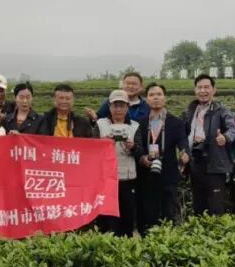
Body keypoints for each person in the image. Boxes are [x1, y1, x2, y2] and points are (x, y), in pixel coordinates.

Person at [134, 83, 187, 232]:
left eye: (159, 94)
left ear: (164, 97)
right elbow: (137, 146)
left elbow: (182, 141)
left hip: (168, 174)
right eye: (152, 95)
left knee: (168, 213)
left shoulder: (176, 122)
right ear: (146, 99)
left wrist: (185, 153)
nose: (155, 98)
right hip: (146, 174)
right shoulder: (140, 123)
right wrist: (142, 158)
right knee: (147, 214)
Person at [181, 74, 235, 216]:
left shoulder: (221, 109)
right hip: (195, 162)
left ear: (214, 90)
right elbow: (181, 133)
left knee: (216, 206)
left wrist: (225, 137)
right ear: (195, 90)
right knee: (198, 205)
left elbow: (233, 128)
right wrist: (183, 149)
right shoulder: (190, 111)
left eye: (206, 87)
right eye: (199, 87)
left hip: (215, 163)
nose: (203, 91)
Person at [95, 90, 140, 236]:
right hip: (106, 179)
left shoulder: (135, 126)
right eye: (115, 105)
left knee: (127, 215)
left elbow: (140, 152)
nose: (118, 109)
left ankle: (126, 242)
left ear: (127, 107)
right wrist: (102, 144)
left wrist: (133, 147)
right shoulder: (100, 124)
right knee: (107, 217)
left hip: (127, 178)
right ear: (109, 107)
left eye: (122, 105)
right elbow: (91, 149)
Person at [32, 84, 97, 138]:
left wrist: (93, 120)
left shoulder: (81, 122)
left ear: (73, 100)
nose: (64, 101)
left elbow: (90, 143)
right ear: (54, 100)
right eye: (61, 98)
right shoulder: (44, 120)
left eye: (68, 98)